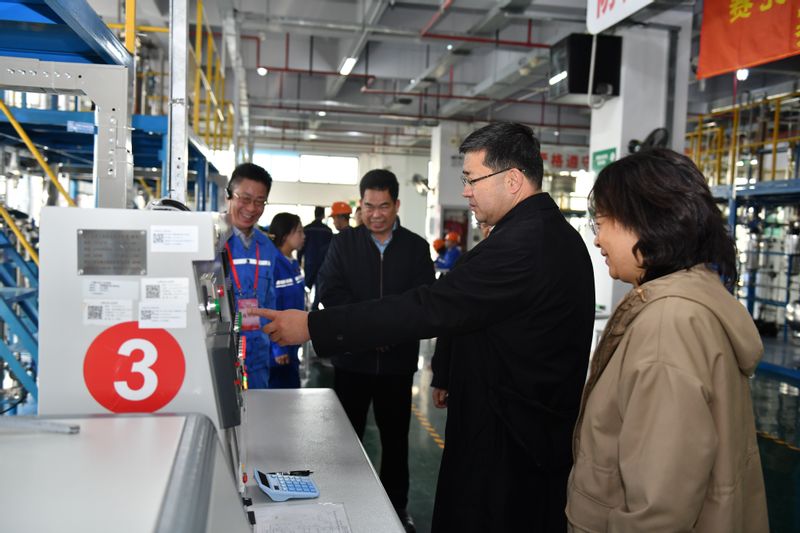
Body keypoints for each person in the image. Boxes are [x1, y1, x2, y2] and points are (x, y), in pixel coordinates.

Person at [249, 122, 595, 532]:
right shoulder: (541, 235)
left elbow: (431, 306)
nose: (465, 191)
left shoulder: (523, 244)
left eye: (472, 179)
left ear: (513, 180)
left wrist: (313, 325)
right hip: (514, 432)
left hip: (510, 446)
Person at [567, 149, 769, 532]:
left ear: (644, 222)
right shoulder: (689, 304)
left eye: (602, 222)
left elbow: (658, 510)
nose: (598, 239)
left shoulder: (667, 326)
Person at [314, 169, 434, 532]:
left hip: (397, 365)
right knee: (345, 439)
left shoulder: (415, 248)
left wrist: (388, 330)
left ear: (396, 204)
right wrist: (368, 333)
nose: (376, 214)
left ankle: (397, 508)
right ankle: (343, 502)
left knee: (395, 440)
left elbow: (423, 300)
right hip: (353, 362)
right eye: (369, 206)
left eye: (383, 206)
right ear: (360, 205)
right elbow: (331, 292)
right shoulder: (343, 244)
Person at [224, 162, 279, 389]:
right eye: (245, 199)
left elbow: (271, 301)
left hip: (257, 353)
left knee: (258, 407)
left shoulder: (266, 247)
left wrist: (277, 346)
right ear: (229, 195)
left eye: (259, 201)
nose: (251, 208)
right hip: (221, 351)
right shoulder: (211, 241)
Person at [267, 212, 306, 388]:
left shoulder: (292, 263)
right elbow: (270, 307)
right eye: (299, 231)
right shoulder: (274, 265)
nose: (303, 236)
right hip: (279, 345)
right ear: (285, 235)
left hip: (293, 339)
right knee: (278, 393)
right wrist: (278, 348)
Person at [298, 206, 332, 311]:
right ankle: (314, 309)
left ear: (314, 213)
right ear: (323, 215)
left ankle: (303, 306)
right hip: (323, 264)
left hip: (309, 262)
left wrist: (298, 261)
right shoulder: (327, 230)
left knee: (306, 286)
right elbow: (331, 249)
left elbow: (301, 247)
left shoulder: (307, 229)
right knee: (319, 288)